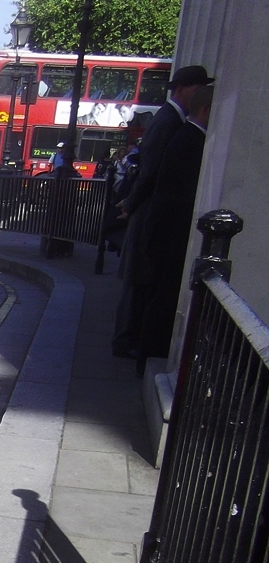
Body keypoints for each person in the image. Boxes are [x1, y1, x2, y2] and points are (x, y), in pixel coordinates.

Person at [111, 64, 214, 358]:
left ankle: (130, 340)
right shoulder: (170, 121)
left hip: (150, 212)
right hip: (151, 214)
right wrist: (131, 204)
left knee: (142, 281)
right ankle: (126, 341)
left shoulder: (170, 119)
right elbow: (151, 169)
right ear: (182, 89)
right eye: (198, 87)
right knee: (139, 280)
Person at [137, 83, 212, 374]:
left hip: (165, 234)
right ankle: (149, 357)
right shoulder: (189, 141)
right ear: (206, 110)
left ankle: (147, 356)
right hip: (171, 238)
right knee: (161, 300)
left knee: (158, 298)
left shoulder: (185, 136)